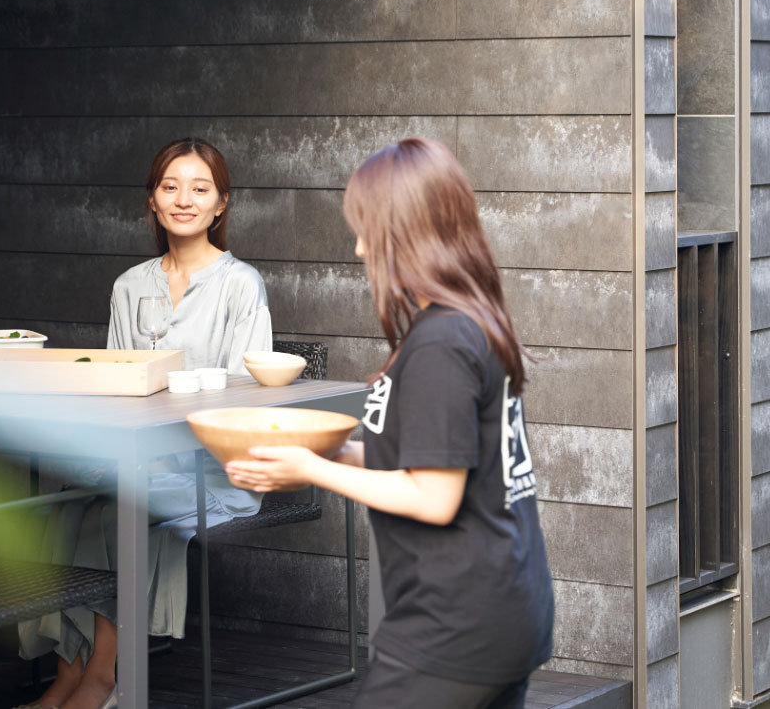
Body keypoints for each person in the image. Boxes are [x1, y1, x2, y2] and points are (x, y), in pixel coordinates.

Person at [227, 138, 554, 709]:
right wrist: (326, 455)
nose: (359, 248)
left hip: (456, 624)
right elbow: (431, 459)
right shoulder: (467, 323)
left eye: (367, 230)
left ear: (407, 233)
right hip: (501, 608)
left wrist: (312, 470)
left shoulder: (441, 342)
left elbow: (433, 497)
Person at [17, 137, 273, 709]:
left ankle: (104, 678)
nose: (184, 199)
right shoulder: (130, 285)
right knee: (69, 509)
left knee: (123, 514)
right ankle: (67, 677)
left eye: (200, 189)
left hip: (213, 470)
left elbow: (243, 398)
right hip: (136, 461)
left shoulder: (241, 284)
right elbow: (118, 384)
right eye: (170, 187)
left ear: (221, 204)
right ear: (152, 201)